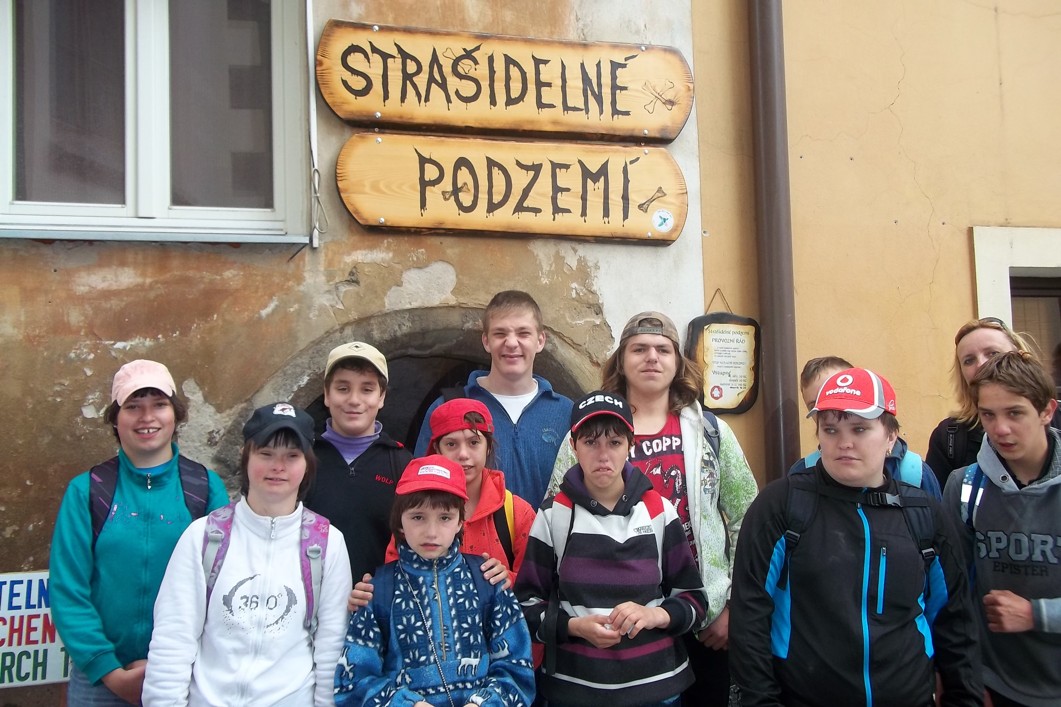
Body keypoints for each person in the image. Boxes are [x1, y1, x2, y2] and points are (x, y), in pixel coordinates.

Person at [730, 367, 982, 706]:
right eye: (830, 429)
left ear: (891, 436)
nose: (844, 442)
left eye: (860, 429)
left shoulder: (924, 514)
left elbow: (956, 622)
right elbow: (749, 618)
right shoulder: (781, 506)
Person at [548, 311, 758, 707]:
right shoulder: (589, 433)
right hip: (615, 623)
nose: (651, 357)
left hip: (702, 618)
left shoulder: (710, 432)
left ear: (678, 362)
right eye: (639, 349)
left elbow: (748, 517)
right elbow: (556, 515)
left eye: (663, 349)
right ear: (621, 361)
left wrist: (733, 605)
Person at [143, 402, 353, 706]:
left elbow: (331, 646)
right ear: (246, 456)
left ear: (307, 464)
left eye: (292, 456)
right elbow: (173, 639)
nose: (277, 466)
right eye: (265, 454)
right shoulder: (204, 537)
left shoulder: (326, 543)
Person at [49, 360, 229, 705]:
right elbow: (68, 589)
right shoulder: (87, 491)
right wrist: (109, 671)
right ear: (115, 419)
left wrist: (169, 661)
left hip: (183, 672)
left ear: (175, 415)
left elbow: (220, 584)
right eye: (133, 407)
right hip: (100, 679)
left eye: (159, 405)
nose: (147, 417)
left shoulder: (205, 488)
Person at [517, 391, 708, 706]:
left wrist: (654, 615)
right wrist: (574, 627)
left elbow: (694, 601)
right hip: (575, 692)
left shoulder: (659, 512)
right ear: (573, 446)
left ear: (631, 445)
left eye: (615, 442)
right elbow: (525, 608)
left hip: (658, 690)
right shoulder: (554, 515)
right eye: (591, 442)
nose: (603, 455)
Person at [335, 454, 535, 707]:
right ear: (399, 522)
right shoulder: (378, 592)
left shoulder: (488, 581)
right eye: (418, 517)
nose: (431, 532)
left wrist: (483, 703)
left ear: (460, 522)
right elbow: (353, 682)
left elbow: (517, 668)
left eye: (444, 518)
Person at [942, 350, 1061, 707]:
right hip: (995, 683)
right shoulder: (965, 487)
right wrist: (963, 677)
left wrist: (1035, 614)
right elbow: (952, 592)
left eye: (1015, 413)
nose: (1000, 429)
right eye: (988, 415)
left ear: (1047, 411)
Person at [414, 290, 573, 506]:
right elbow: (422, 490)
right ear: (486, 341)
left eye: (523, 333)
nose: (511, 343)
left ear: (540, 340)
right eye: (500, 333)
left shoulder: (566, 412)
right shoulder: (447, 408)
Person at [387, 398, 536, 582]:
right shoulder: (413, 508)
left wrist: (508, 580)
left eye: (474, 442)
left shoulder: (516, 513)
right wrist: (374, 592)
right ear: (437, 449)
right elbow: (392, 578)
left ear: (488, 447)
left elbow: (535, 586)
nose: (463, 454)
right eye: (451, 444)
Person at [303, 341, 412, 583]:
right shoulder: (302, 459)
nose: (354, 400)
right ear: (327, 394)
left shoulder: (402, 464)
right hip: (311, 598)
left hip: (380, 599)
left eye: (366, 389)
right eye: (343, 388)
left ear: (381, 397)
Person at [926, 317, 1061, 489]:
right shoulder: (949, 437)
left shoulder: (1056, 417)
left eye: (992, 353)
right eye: (969, 360)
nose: (982, 364)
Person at [789, 355, 943, 500]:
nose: (831, 410)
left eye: (859, 429)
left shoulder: (914, 473)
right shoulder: (801, 474)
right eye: (816, 405)